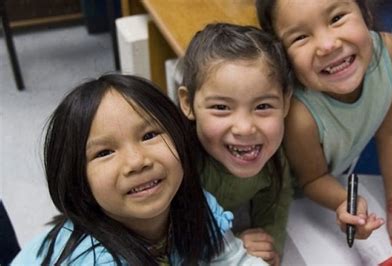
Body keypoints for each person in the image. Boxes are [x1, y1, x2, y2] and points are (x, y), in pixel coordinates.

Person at [12, 74, 267, 265]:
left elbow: (234, 261)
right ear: (78, 182)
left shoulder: (194, 203)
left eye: (149, 135)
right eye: (104, 152)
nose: (136, 162)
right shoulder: (93, 259)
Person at [256, 0, 392, 257]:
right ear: (282, 55)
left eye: (336, 19)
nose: (327, 45)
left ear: (365, 11)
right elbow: (312, 179)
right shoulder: (299, 114)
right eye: (300, 37)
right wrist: (347, 203)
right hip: (275, 202)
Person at [177, 23, 294, 265]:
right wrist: (230, 247)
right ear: (188, 103)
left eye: (263, 106)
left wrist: (270, 246)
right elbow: (166, 241)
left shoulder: (274, 159)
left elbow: (274, 208)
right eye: (221, 107)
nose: (245, 128)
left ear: (286, 102)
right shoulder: (176, 163)